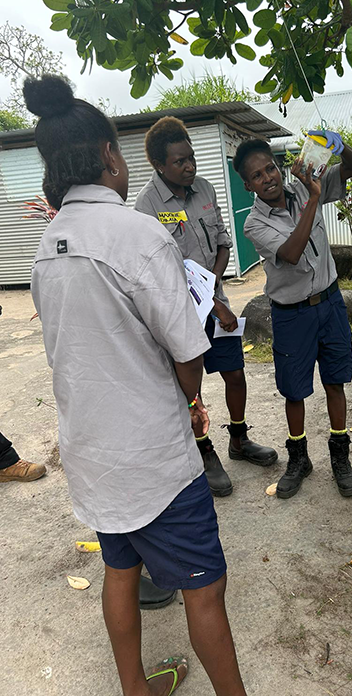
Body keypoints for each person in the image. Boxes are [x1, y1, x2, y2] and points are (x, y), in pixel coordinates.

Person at [25, 75, 247, 696]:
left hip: (92, 452)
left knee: (119, 569)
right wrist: (191, 400)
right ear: (108, 157)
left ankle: (135, 689)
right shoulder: (137, 234)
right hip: (152, 456)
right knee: (206, 587)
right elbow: (185, 351)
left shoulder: (46, 246)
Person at [135, 117, 277, 498]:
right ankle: (203, 449)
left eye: (191, 158)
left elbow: (222, 242)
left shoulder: (205, 189)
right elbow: (168, 269)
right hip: (179, 314)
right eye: (179, 161)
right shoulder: (147, 206)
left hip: (216, 302)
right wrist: (213, 304)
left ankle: (239, 439)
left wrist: (215, 281)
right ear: (159, 165)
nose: (189, 166)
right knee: (191, 388)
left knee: (234, 373)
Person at [234, 134, 352, 499]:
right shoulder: (254, 225)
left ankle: (340, 457)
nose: (268, 178)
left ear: (278, 167)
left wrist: (338, 148)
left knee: (335, 381)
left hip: (330, 303)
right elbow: (291, 252)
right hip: (292, 315)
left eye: (270, 168)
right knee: (294, 391)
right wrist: (314, 199)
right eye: (257, 176)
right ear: (248, 185)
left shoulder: (307, 182)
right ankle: (299, 458)